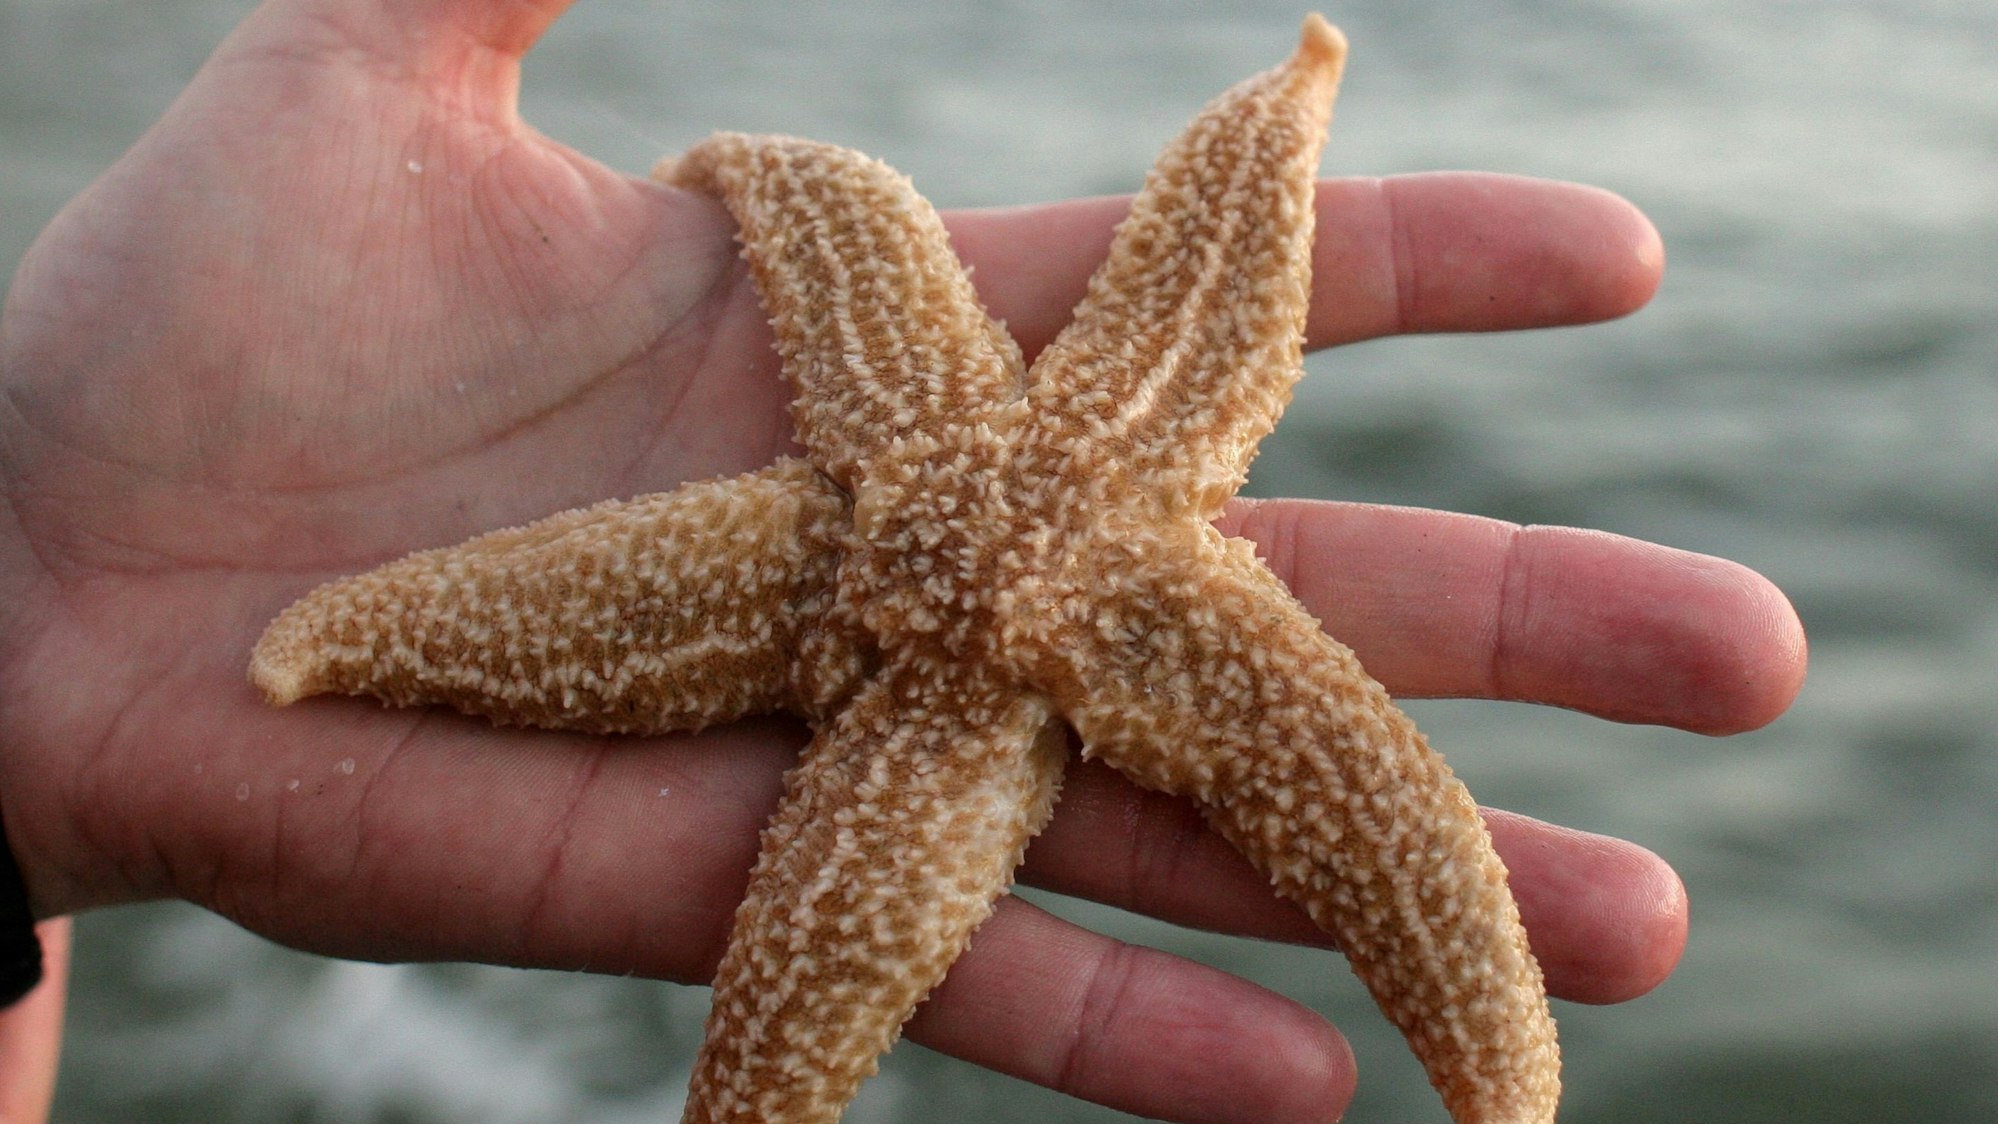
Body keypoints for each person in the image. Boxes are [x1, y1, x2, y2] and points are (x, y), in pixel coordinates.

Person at [0, 1, 1806, 1120]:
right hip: (917, 665)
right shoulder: (1014, 413)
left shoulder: (1024, 414)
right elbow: (840, 208)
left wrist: (40, 609)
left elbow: (893, 208)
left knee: (1421, 898)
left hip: (939, 681)